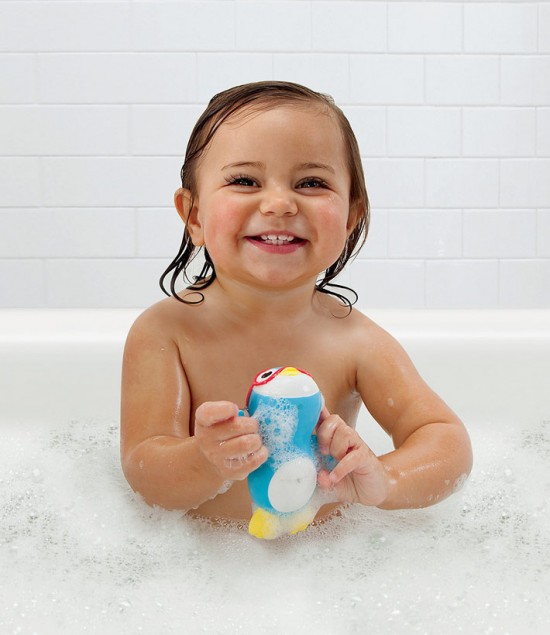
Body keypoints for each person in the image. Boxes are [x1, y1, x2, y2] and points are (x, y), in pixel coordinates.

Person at [120, 81, 472, 528]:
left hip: (327, 560)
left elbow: (446, 442)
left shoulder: (355, 341)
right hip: (202, 557)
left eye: (311, 183)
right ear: (194, 215)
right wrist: (203, 461)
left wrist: (385, 479)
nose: (280, 204)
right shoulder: (167, 332)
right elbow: (144, 470)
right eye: (244, 180)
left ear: (350, 217)